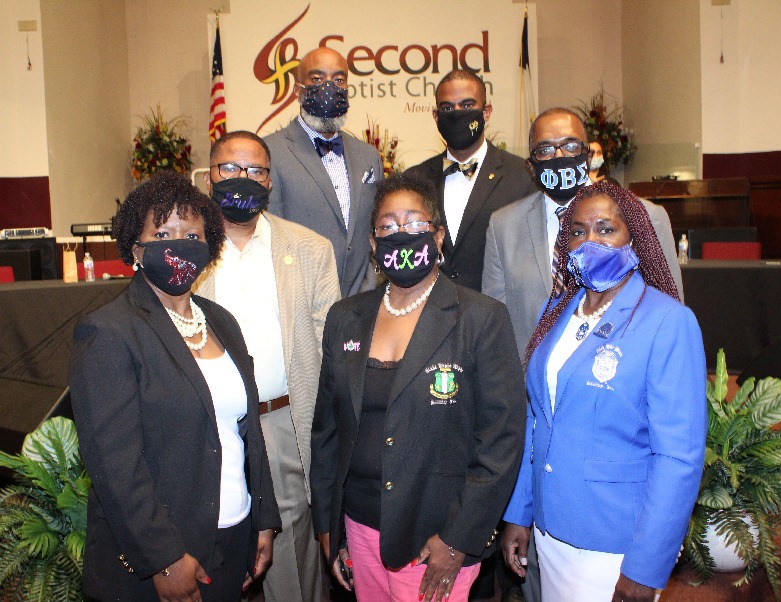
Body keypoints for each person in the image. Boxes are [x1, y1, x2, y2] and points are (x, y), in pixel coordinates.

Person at [310, 174, 526, 602]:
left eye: (414, 224)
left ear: (439, 236)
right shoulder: (345, 317)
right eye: (388, 227)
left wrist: (458, 540)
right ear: (373, 243)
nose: (401, 236)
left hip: (435, 536)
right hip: (359, 526)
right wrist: (329, 528)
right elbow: (328, 431)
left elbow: (501, 440)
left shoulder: (480, 318)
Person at [70, 171, 281, 601]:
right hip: (164, 560)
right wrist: (164, 558)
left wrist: (262, 517)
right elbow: (115, 466)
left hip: (232, 537)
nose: (179, 243)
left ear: (209, 247)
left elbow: (247, 432)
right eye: (163, 232)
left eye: (192, 233)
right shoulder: (109, 331)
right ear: (136, 248)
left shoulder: (221, 322)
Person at [502, 180, 707, 602]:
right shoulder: (554, 311)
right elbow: (536, 417)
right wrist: (519, 512)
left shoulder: (667, 321)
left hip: (616, 548)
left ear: (635, 236)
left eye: (605, 229)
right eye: (577, 231)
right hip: (550, 530)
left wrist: (645, 568)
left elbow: (679, 458)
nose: (589, 241)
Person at [194, 131, 340, 602]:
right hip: (205, 428)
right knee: (206, 555)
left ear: (271, 182)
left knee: (293, 565)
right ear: (209, 175)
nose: (243, 179)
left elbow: (329, 351)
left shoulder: (311, 250)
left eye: (256, 170)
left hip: (280, 424)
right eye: (230, 169)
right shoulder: (187, 251)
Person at [483, 107, 684, 360]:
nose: (559, 156)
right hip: (534, 387)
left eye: (570, 146)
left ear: (588, 156)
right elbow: (495, 324)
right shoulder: (503, 226)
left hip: (619, 379)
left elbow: (670, 311)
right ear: (531, 167)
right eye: (545, 150)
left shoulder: (644, 216)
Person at [264, 47, 384, 297]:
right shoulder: (271, 152)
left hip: (360, 305)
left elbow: (377, 230)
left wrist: (369, 287)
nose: (329, 87)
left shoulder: (368, 156)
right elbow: (268, 238)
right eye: (317, 79)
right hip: (301, 302)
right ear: (298, 91)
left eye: (338, 80)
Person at [406, 70, 535, 292]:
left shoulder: (522, 176)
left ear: (486, 112)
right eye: (447, 108)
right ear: (436, 116)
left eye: (467, 106)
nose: (457, 114)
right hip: (430, 314)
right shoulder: (414, 180)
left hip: (496, 314)